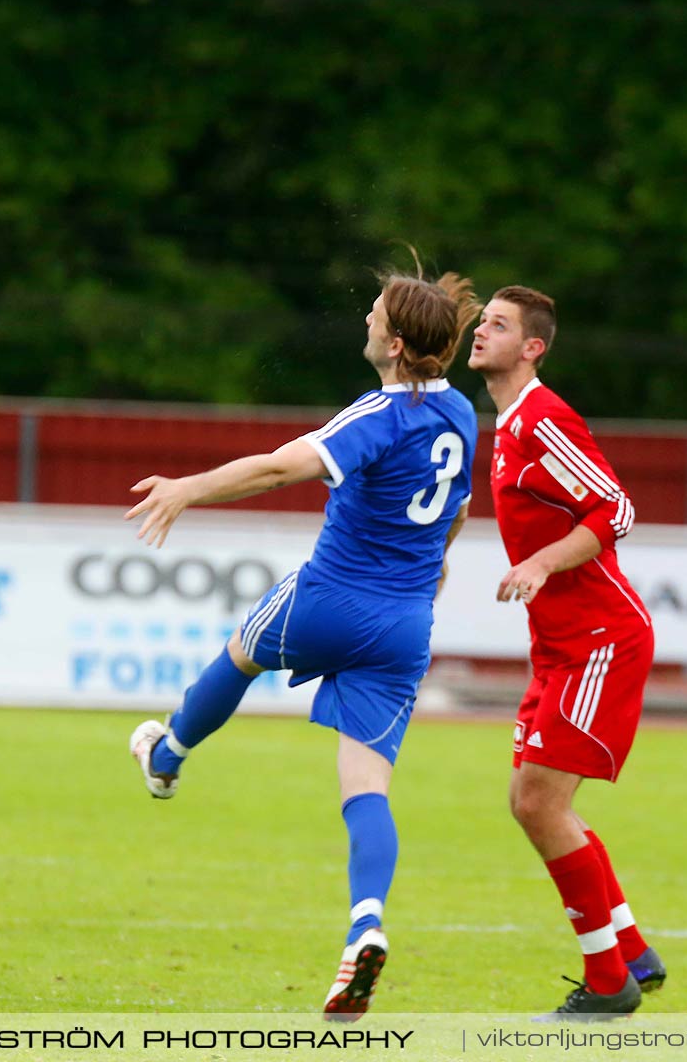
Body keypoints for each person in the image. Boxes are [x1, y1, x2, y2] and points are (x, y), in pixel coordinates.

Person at [124, 268, 480, 1020]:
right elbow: (459, 508)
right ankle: (366, 925)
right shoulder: (460, 415)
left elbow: (282, 468)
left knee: (242, 653)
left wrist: (188, 487)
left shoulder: (380, 412)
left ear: (393, 340)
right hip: (407, 622)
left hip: (334, 597)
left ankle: (167, 757)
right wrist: (437, 565)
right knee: (366, 788)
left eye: (375, 311)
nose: (366, 317)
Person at [466, 285, 664, 1019]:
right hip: (558, 646)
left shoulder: (543, 419)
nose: (480, 331)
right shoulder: (511, 422)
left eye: (498, 324)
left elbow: (617, 507)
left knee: (537, 802)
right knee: (538, 803)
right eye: (481, 319)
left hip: (599, 641)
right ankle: (631, 951)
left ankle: (610, 983)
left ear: (533, 347)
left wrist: (544, 562)